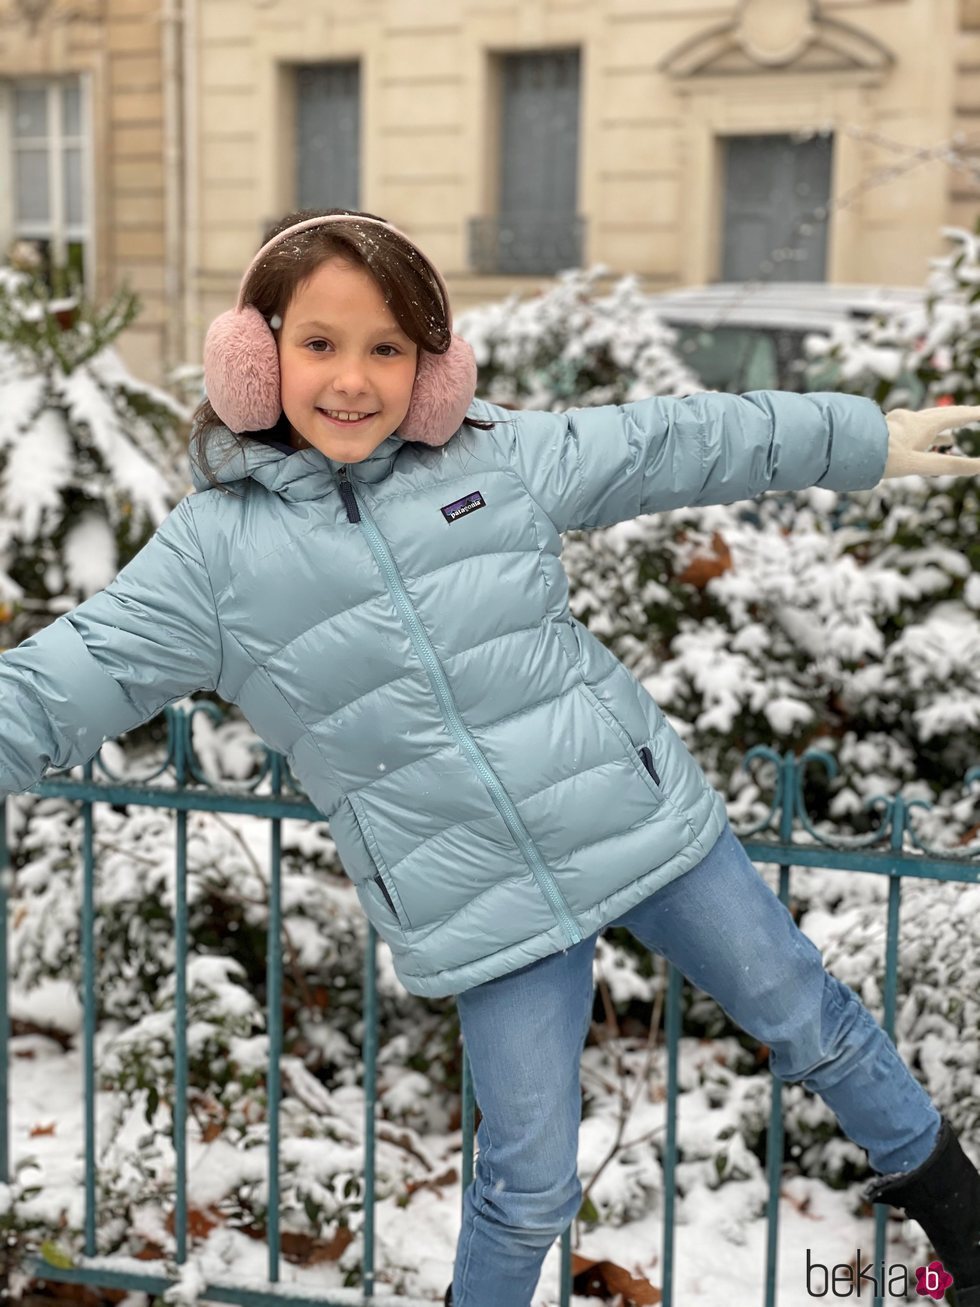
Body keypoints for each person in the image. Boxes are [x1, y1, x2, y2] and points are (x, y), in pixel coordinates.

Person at [3, 207, 980, 1307]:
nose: (353, 380)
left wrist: (852, 438)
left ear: (431, 369)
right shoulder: (208, 559)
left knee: (813, 1020)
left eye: (388, 349)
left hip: (639, 818)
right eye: (318, 343)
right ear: (252, 353)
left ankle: (966, 1230)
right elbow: (47, 687)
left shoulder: (491, 459)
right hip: (477, 897)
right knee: (524, 1181)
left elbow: (674, 439)